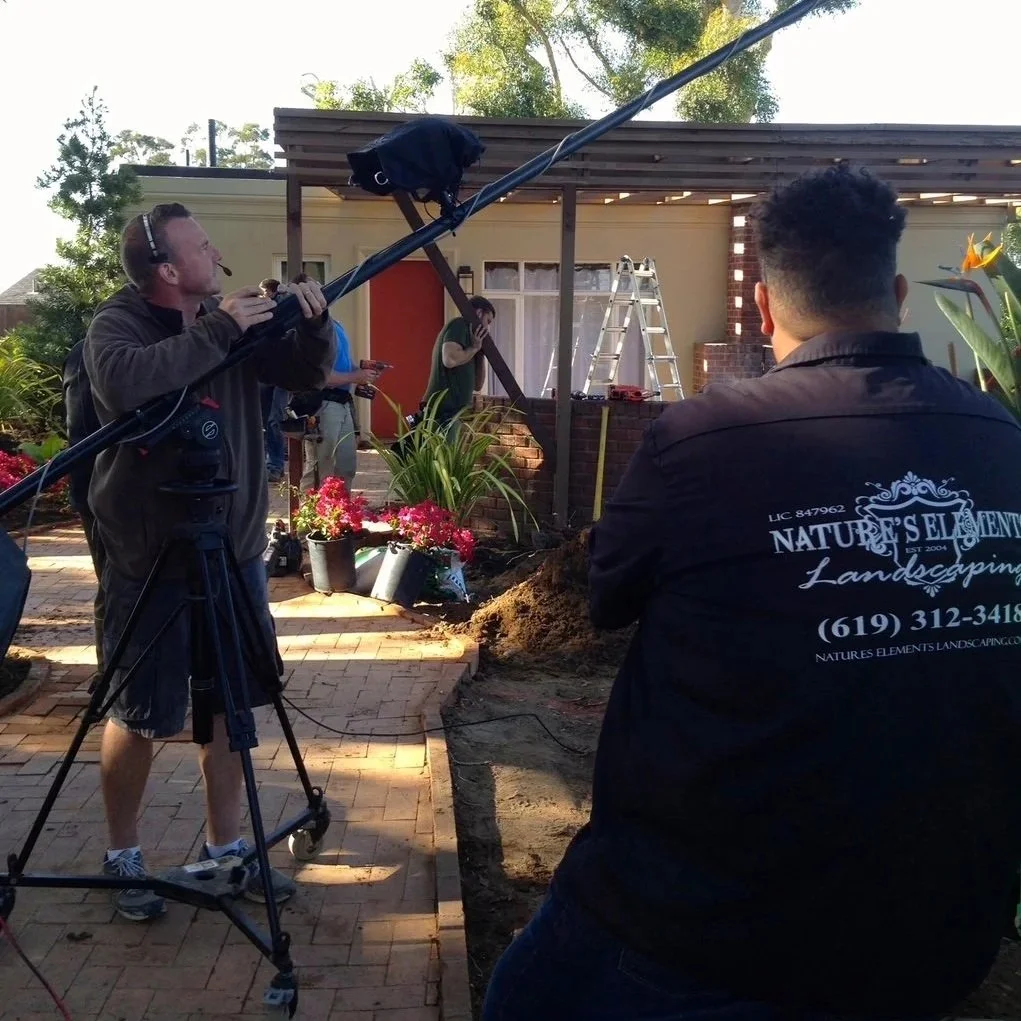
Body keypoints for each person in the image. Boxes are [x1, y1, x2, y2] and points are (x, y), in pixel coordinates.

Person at [483, 166, 1021, 1021]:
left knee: (521, 999)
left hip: (703, 937)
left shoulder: (700, 440)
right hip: (936, 941)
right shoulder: (1004, 440)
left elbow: (604, 597)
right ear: (894, 291)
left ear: (764, 308)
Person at [83, 202, 336, 922]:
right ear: (166, 268)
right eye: (200, 244)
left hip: (231, 547)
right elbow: (127, 382)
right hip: (150, 553)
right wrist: (225, 325)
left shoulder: (236, 321)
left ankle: (226, 847)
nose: (215, 251)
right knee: (142, 711)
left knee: (232, 705)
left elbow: (301, 372)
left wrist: (310, 323)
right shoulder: (120, 324)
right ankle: (123, 853)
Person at [296, 284, 378, 493]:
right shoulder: (309, 331)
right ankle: (310, 518)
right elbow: (319, 376)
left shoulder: (336, 326)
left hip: (342, 403)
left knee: (346, 465)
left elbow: (346, 364)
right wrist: (354, 376)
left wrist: (363, 372)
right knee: (320, 465)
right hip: (323, 403)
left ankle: (341, 516)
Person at [61, 340, 106, 681]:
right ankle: (112, 676)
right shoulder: (90, 351)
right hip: (99, 490)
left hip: (103, 488)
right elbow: (83, 428)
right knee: (115, 585)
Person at [423, 295, 493, 435]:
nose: (488, 328)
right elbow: (449, 360)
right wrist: (473, 349)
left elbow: (477, 385)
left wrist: (479, 352)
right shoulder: (459, 325)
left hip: (455, 412)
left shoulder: (471, 342)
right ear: (479, 313)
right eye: (488, 321)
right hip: (441, 411)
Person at [258, 278, 289, 482]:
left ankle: (275, 465)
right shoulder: (263, 311)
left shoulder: (283, 308)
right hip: (265, 371)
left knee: (274, 420)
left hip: (281, 373)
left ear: (270, 291)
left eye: (264, 292)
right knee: (264, 420)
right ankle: (269, 464)